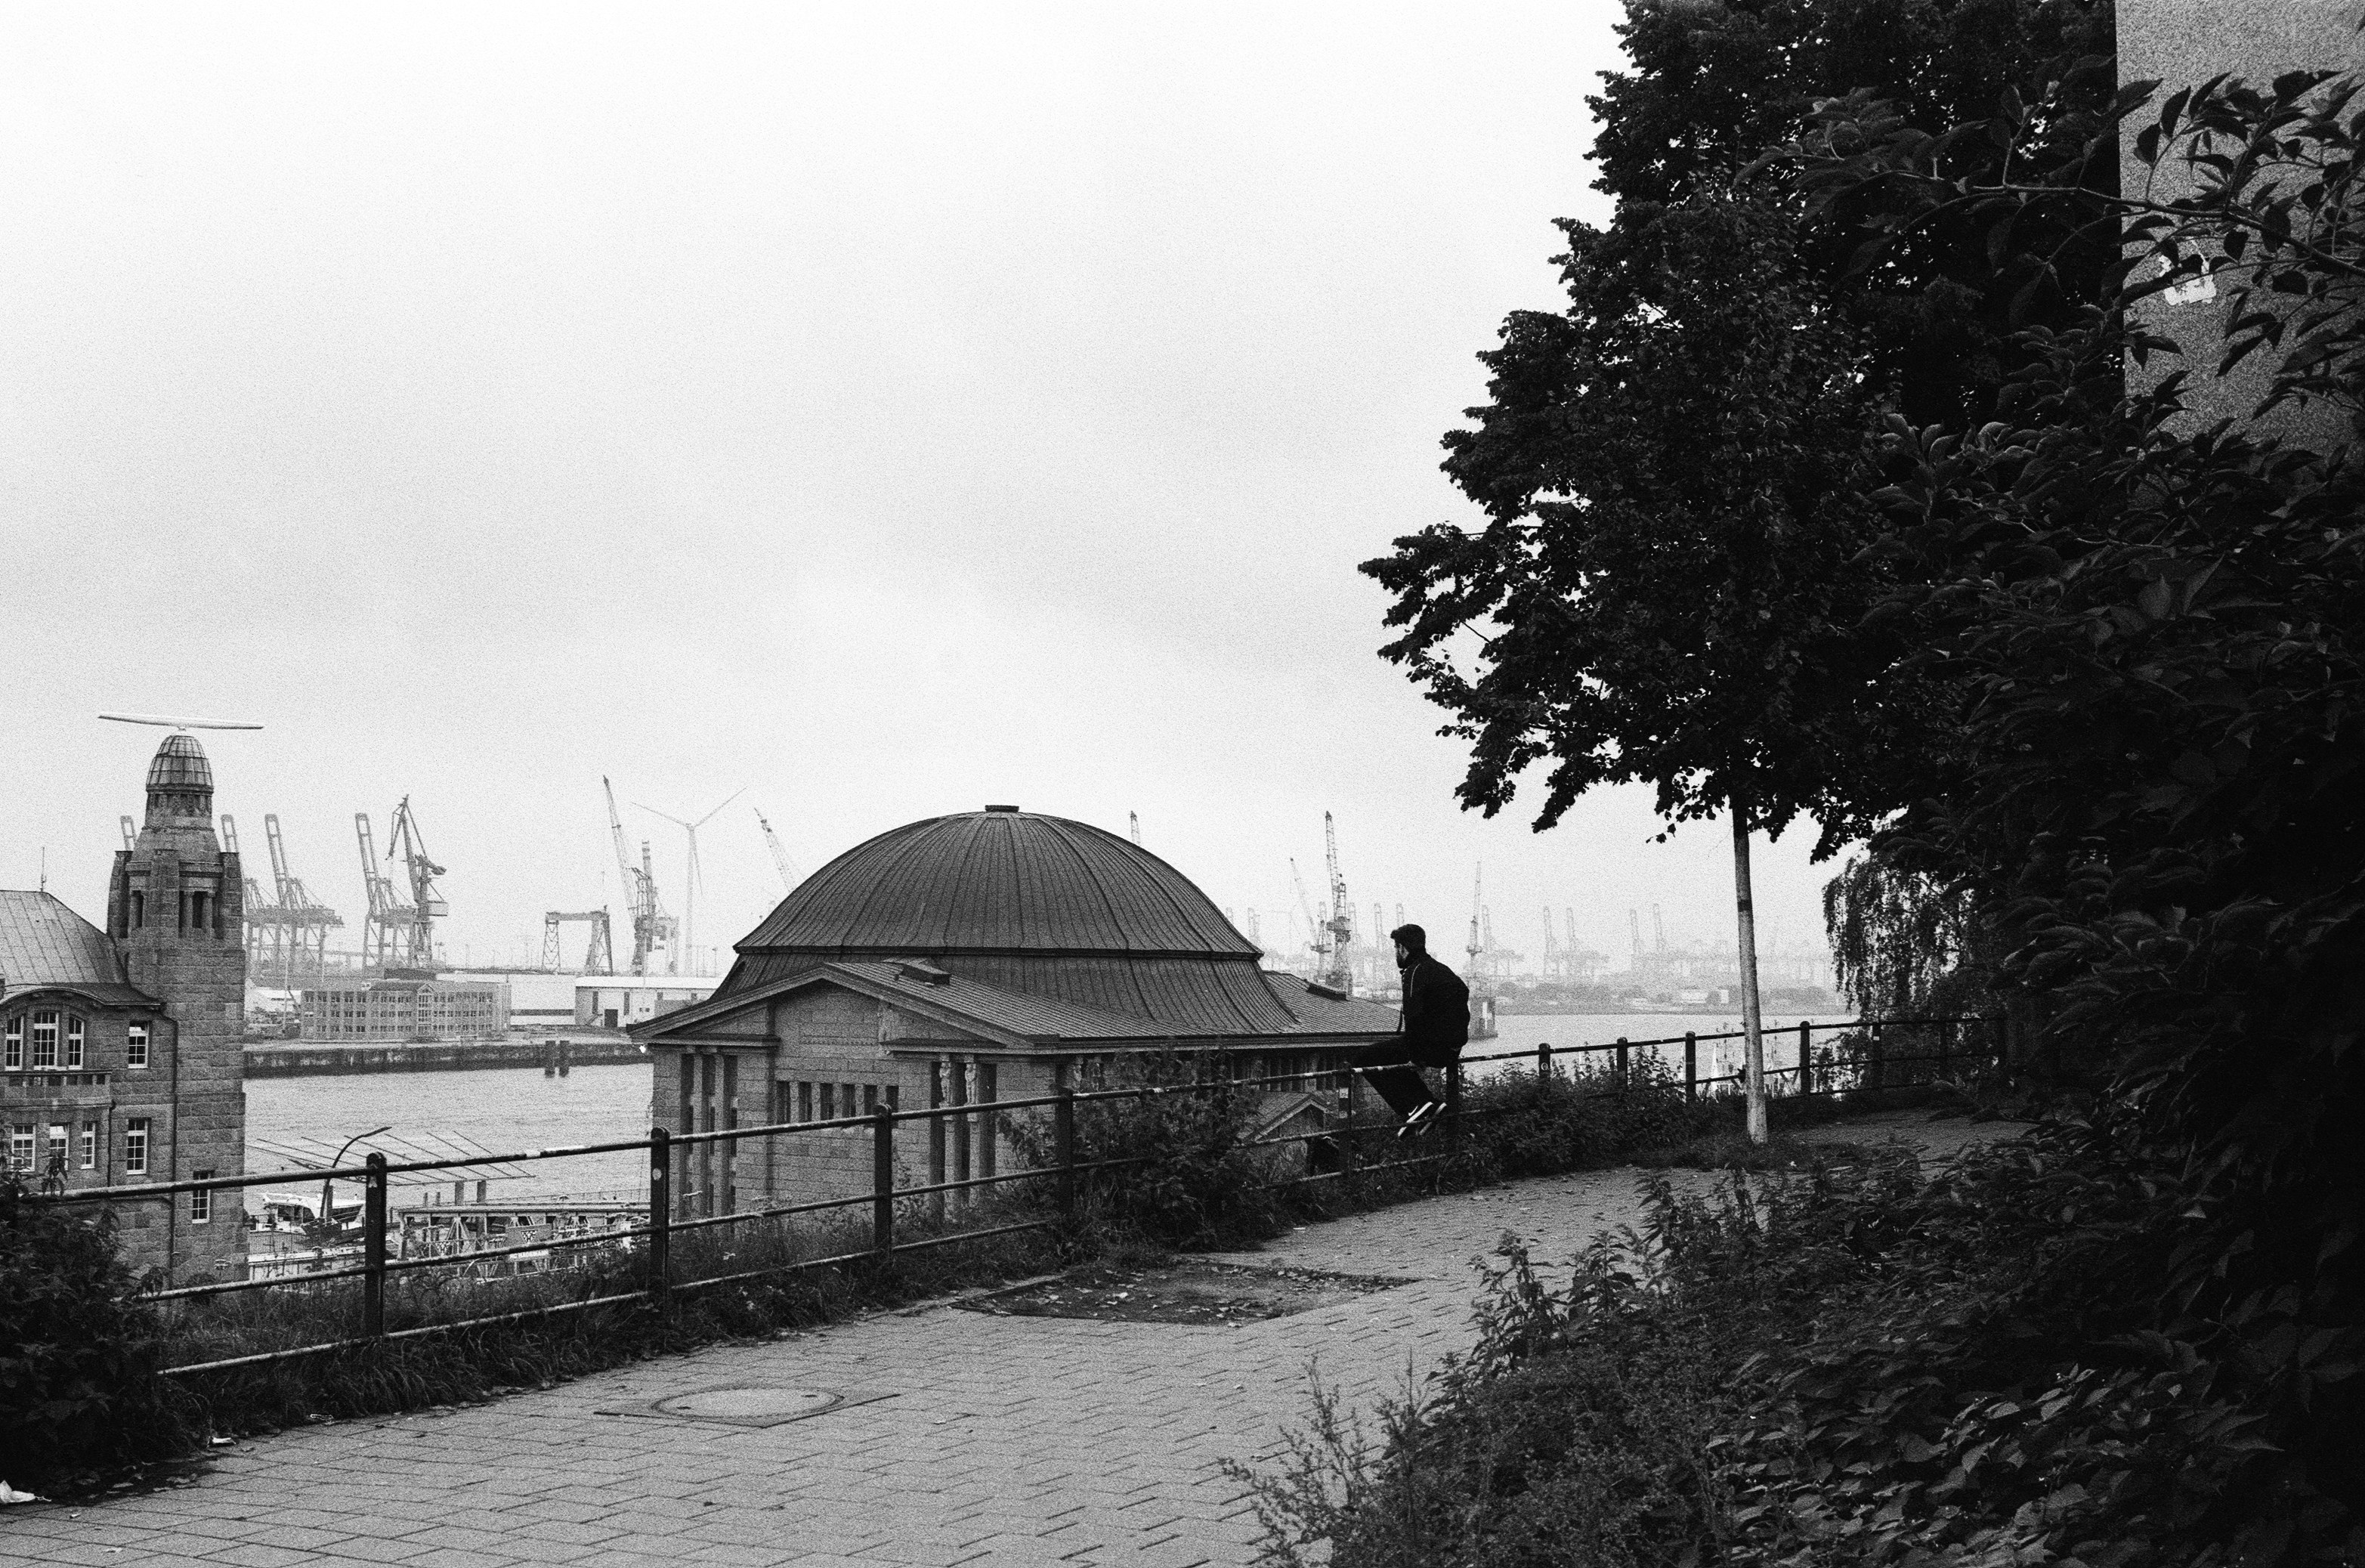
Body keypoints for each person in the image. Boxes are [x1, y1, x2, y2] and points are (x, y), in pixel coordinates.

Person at [1352, 923, 1470, 1136]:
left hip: (1432, 1046)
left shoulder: (1414, 972)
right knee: (1392, 1055)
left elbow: (1413, 1015)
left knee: (1364, 1059)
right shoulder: (1441, 969)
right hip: (1451, 1048)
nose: (1395, 954)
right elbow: (1463, 998)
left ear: (1402, 948)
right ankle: (1427, 1105)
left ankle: (1414, 1109)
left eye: (1395, 948)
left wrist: (1415, 1057)